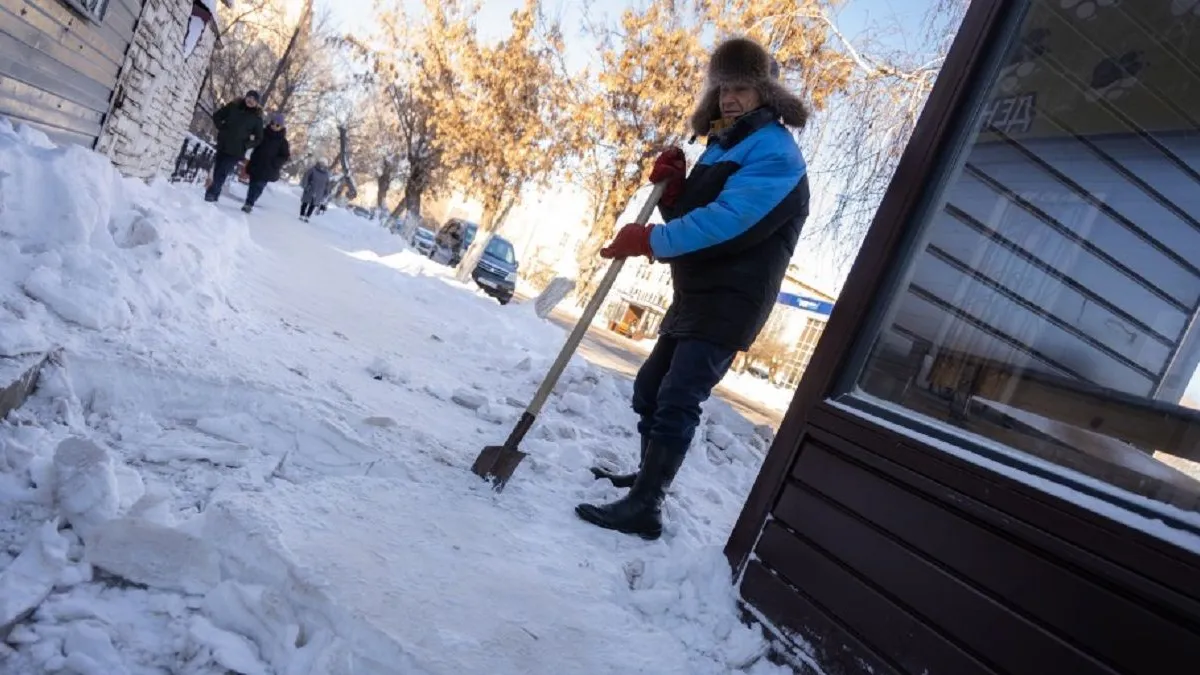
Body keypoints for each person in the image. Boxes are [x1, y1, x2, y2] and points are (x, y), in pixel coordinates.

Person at [577, 36, 811, 540]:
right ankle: (646, 480)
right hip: (697, 293)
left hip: (731, 301)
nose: (730, 98)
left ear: (766, 93)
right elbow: (691, 221)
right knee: (650, 389)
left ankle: (646, 506)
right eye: (723, 88)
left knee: (679, 396)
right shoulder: (724, 145)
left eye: (742, 88)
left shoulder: (776, 154)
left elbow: (727, 224)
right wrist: (674, 192)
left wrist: (649, 240)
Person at [205, 90, 265, 203]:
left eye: (254, 99)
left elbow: (259, 138)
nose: (250, 100)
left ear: (257, 103)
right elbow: (217, 116)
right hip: (223, 144)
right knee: (218, 170)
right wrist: (221, 128)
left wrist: (246, 145)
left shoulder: (257, 119)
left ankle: (211, 194)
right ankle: (215, 194)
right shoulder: (233, 107)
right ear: (245, 97)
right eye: (249, 97)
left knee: (223, 171)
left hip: (237, 151)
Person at [241, 113, 291, 213]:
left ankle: (250, 203)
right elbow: (254, 142)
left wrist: (276, 162)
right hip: (257, 163)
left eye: (277, 125)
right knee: (252, 185)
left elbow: (285, 156)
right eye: (273, 123)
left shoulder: (283, 142)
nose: (274, 126)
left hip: (269, 168)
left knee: (259, 186)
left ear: (281, 127)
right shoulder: (263, 133)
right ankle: (248, 202)